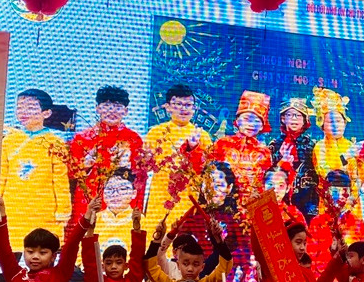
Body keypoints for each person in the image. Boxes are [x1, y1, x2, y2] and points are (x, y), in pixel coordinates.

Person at [0, 88, 71, 244]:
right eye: (19, 107)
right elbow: (2, 175)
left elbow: (60, 180)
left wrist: (63, 211)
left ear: (46, 113)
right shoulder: (9, 140)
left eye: (30, 107)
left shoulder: (55, 142)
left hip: (43, 209)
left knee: (41, 248)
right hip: (13, 208)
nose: (23, 112)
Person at [68, 85, 145, 221]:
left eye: (117, 106)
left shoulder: (134, 139)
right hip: (89, 201)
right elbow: (70, 174)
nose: (112, 111)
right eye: (106, 105)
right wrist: (85, 165)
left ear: (126, 111)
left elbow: (139, 179)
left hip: (120, 203)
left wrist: (136, 208)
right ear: (97, 108)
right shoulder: (83, 138)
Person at [143, 83, 213, 230]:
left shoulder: (203, 136)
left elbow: (207, 171)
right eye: (178, 104)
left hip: (188, 197)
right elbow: (144, 166)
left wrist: (193, 149)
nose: (183, 109)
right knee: (155, 236)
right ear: (168, 107)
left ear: (194, 109)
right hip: (160, 196)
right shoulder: (155, 133)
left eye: (188, 105)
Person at [209, 90, 273, 198]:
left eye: (257, 121)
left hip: (252, 204)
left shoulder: (265, 152)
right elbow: (207, 173)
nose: (251, 124)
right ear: (237, 120)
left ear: (262, 126)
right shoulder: (222, 144)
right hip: (224, 202)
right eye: (247, 119)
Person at [268, 97, 319, 220]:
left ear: (305, 120)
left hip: (307, 200)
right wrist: (280, 158)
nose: (294, 119)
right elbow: (267, 174)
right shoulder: (275, 145)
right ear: (283, 119)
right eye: (289, 115)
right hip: (279, 198)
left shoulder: (312, 146)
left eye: (298, 115)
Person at [311, 87, 364, 192]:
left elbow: (360, 173)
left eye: (339, 121)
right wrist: (344, 158)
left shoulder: (350, 145)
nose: (335, 126)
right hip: (329, 197)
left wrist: (354, 193)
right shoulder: (320, 147)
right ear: (322, 126)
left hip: (351, 198)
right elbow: (327, 173)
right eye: (331, 122)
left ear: (345, 123)